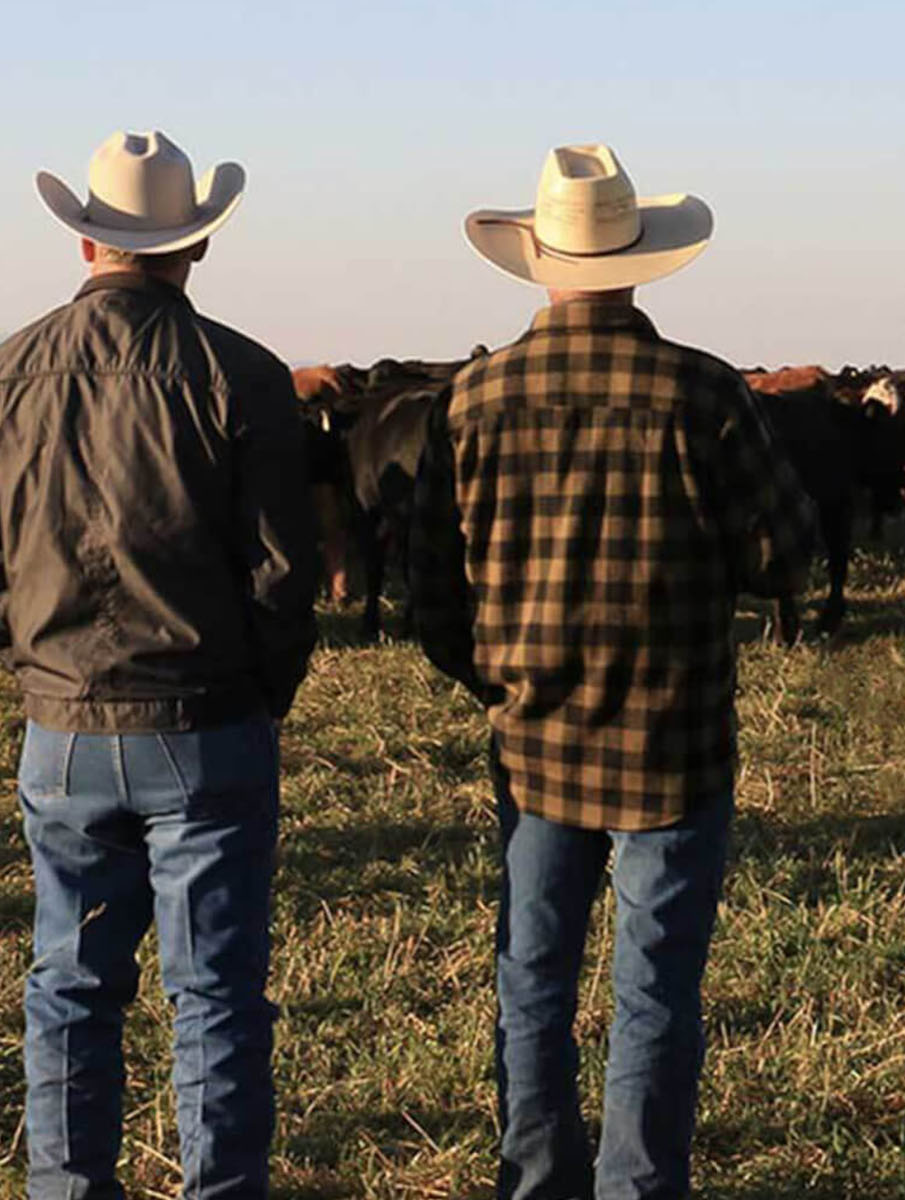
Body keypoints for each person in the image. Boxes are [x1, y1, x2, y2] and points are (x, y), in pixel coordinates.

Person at [411, 144, 817, 1199]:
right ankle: (639, 1186)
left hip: (534, 745)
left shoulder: (469, 400)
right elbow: (783, 554)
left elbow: (432, 596)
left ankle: (537, 1177)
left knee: (532, 980)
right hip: (672, 747)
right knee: (655, 989)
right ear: (636, 262)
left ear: (539, 263)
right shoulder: (706, 393)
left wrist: (502, 683)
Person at [0, 130, 318, 1198]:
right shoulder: (245, 374)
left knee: (68, 984)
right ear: (197, 246)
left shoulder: (9, 372)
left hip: (60, 726)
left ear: (87, 242)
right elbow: (285, 574)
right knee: (216, 994)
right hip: (204, 724)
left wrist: (33, 670)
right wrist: (257, 697)